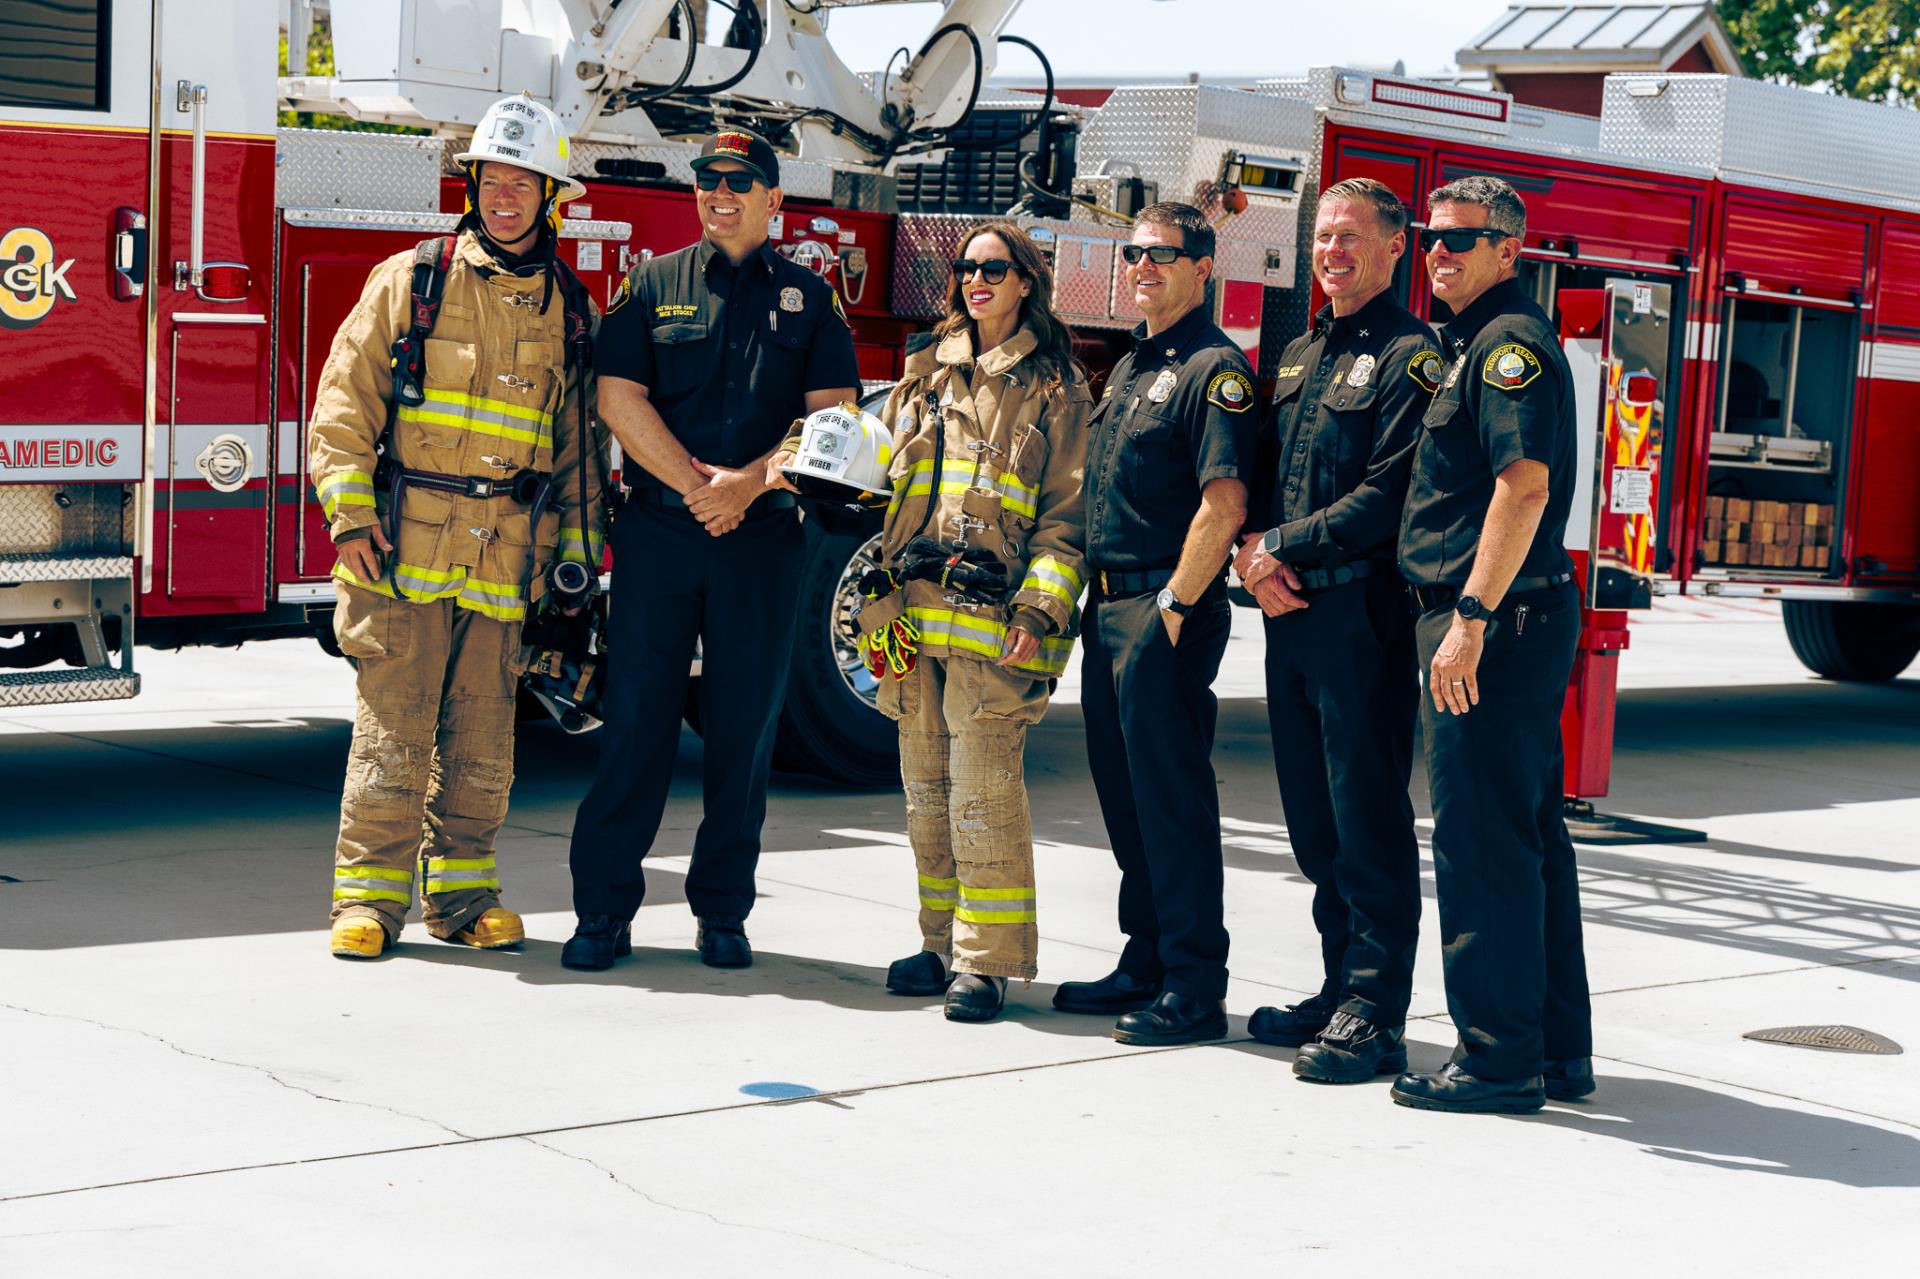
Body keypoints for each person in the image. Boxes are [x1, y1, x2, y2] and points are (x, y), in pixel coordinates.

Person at [771, 222, 1091, 1022]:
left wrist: (1041, 606)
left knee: (984, 795)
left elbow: (1068, 518)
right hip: (907, 618)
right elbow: (879, 468)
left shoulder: (1056, 388)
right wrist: (820, 463)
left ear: (1026, 281)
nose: (976, 279)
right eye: (966, 267)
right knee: (926, 795)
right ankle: (938, 943)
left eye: (995, 268)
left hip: (995, 623)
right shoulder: (927, 373)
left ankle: (987, 962)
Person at [311, 94, 605, 959]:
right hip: (402, 549)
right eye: (492, 181)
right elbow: (343, 405)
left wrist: (576, 567)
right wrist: (350, 517)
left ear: (550, 196)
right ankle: (367, 902)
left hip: (508, 560)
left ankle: (465, 896)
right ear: (471, 186)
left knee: (484, 740)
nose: (505, 198)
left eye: (523, 183)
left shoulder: (571, 310)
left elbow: (580, 453)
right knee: (392, 732)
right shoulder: (413, 280)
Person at [561, 129, 860, 971]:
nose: (720, 194)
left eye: (739, 182)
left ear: (774, 199)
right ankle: (603, 913)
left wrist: (750, 486)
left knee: (742, 730)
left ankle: (723, 911)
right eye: (707, 181)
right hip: (659, 535)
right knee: (635, 723)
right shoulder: (650, 284)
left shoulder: (811, 300)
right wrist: (701, 488)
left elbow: (833, 417)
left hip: (760, 540)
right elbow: (618, 398)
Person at [1389, 175, 1594, 1114]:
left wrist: (1468, 619)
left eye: (1461, 239)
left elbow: (1524, 487)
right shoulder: (1473, 341)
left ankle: (1497, 1061)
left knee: (1482, 844)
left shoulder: (1507, 346)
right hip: (1510, 615)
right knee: (1527, 837)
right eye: (1430, 235)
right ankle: (1554, 1050)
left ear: (1509, 250)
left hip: (1493, 621)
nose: (1439, 250)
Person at [1233, 179, 1437, 1082]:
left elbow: (1388, 494)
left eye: (1353, 237)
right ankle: (1335, 986)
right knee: (1314, 821)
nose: (1333, 251)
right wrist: (1256, 554)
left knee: (1367, 817)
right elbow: (1268, 474)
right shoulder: (1300, 351)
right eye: (1323, 236)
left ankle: (1376, 1011)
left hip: (1361, 614)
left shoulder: (1411, 354)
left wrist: (1279, 546)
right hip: (1289, 611)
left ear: (1395, 248)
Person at [1054, 202, 1258, 1045]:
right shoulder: (1135, 363)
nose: (1142, 267)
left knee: (1171, 802)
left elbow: (1225, 503)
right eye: (1133, 253)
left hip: (1161, 608)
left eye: (1161, 255)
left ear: (1202, 268)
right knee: (1125, 794)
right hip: (1108, 607)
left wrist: (1173, 606)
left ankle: (1194, 983)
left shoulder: (1216, 369)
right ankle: (1144, 958)